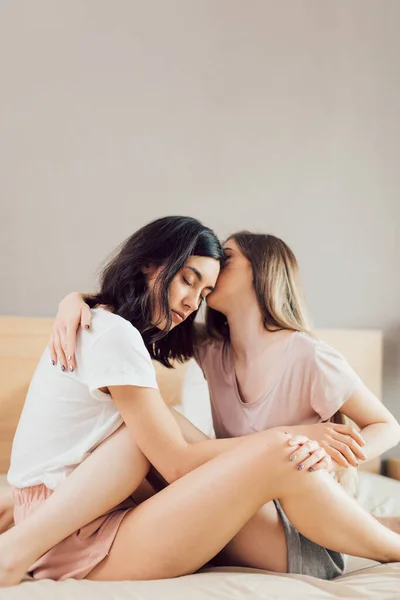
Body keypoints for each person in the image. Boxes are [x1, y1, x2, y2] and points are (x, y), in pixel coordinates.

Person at [1, 221, 400, 587]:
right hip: (218, 510)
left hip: (292, 505)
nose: (195, 300)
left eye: (209, 284)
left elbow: (385, 425)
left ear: (261, 273)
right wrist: (75, 300)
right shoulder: (206, 348)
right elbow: (125, 310)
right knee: (163, 429)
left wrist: (324, 455)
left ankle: (382, 536)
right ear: (151, 263)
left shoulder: (307, 355)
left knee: (251, 444)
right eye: (190, 280)